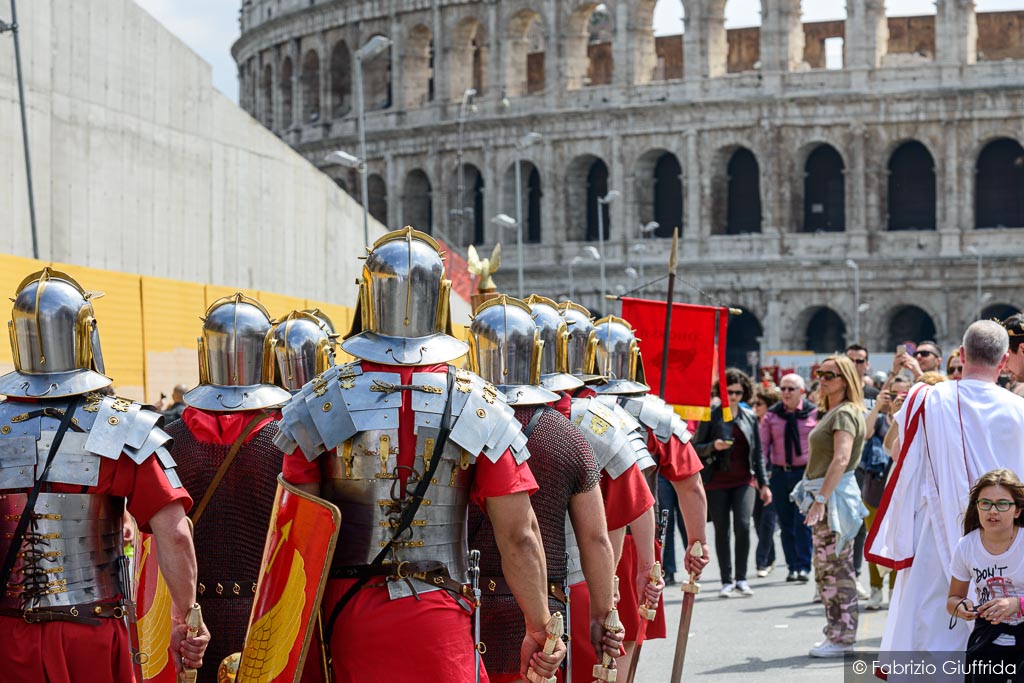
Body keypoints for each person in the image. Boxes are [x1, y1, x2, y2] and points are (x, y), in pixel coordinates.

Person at [274, 228, 565, 682]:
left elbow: (295, 539)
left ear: (366, 296)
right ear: (444, 298)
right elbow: (520, 535)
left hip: (344, 621)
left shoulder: (318, 401)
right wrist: (539, 625)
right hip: (441, 618)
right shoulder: (478, 402)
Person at [0, 268, 209, 682]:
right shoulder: (121, 425)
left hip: (8, 634)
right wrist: (186, 618)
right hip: (91, 635)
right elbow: (175, 532)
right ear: (85, 335)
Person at [466, 296, 620, 683]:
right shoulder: (565, 434)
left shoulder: (459, 427)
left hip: (465, 604)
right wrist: (603, 613)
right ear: (538, 355)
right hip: (544, 609)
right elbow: (596, 538)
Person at [868, 320, 1024, 655]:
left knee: (932, 622)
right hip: (1004, 539)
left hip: (936, 535)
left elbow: (899, 455)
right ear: (1002, 361)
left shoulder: (927, 398)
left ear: (963, 354)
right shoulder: (1020, 410)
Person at [165, 296, 297, 681]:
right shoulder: (288, 442)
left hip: (191, 620)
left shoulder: (170, 440)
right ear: (268, 355)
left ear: (205, 353)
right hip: (269, 614)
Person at [592, 315, 709, 673]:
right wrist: (697, 542)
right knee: (619, 646)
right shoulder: (651, 413)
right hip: (627, 544)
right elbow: (689, 484)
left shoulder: (560, 407)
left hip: (559, 541)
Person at [550, 299, 658, 683]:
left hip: (496, 583)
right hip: (584, 575)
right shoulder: (600, 421)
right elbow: (638, 502)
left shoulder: (482, 410)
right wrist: (646, 567)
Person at [792, 355, 867, 658]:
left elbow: (840, 459)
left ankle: (843, 637)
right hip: (827, 496)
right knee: (827, 569)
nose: (822, 379)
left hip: (834, 500)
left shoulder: (845, 413)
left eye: (830, 375)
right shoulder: (834, 410)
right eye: (820, 373)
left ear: (846, 379)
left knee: (836, 570)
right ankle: (836, 633)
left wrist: (821, 499)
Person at [694, 369, 771, 597]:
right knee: (722, 530)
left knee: (744, 525)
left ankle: (741, 578)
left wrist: (764, 484)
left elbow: (757, 454)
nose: (734, 396)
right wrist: (713, 446)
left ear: (744, 392)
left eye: (738, 392)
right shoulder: (711, 415)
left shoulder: (749, 417)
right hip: (717, 480)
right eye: (730, 392)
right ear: (722, 392)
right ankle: (726, 580)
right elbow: (696, 448)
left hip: (744, 479)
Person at [948, 469, 1024, 681]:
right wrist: (961, 607)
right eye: (986, 503)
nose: (993, 511)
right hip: (989, 639)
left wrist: (1017, 604)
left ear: (1017, 510)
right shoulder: (966, 546)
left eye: (1002, 504)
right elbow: (953, 598)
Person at [760, 373, 818, 583]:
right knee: (785, 524)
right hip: (780, 474)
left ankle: (804, 565)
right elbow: (763, 447)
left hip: (804, 474)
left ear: (801, 392)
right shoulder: (772, 416)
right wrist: (762, 477)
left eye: (790, 389)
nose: (785, 393)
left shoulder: (814, 413)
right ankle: (792, 567)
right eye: (783, 388)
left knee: (803, 521)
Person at [752, 385, 780, 577]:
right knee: (757, 520)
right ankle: (770, 559)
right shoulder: (752, 422)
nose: (755, 407)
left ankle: (761, 562)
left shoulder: (776, 423)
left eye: (759, 404)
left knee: (768, 521)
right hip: (753, 478)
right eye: (754, 403)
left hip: (772, 476)